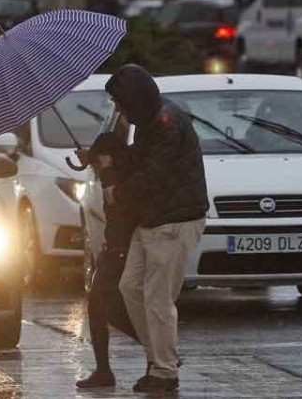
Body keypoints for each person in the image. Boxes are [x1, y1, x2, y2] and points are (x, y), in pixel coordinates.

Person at [79, 64, 208, 393]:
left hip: (175, 221)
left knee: (157, 299)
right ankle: (160, 359)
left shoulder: (167, 123)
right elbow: (137, 156)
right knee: (130, 288)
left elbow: (153, 173)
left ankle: (164, 372)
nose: (120, 111)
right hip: (152, 221)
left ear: (136, 100)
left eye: (122, 104)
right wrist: (96, 156)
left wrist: (115, 191)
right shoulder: (150, 122)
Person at [76, 132, 141, 389]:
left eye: (99, 160)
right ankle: (105, 369)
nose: (96, 167)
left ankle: (159, 350)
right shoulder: (117, 170)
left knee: (108, 308)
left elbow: (114, 199)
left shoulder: (116, 176)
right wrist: (92, 158)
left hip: (122, 250)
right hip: (114, 247)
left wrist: (104, 168)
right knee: (100, 307)